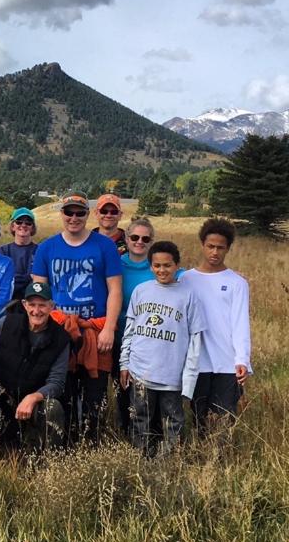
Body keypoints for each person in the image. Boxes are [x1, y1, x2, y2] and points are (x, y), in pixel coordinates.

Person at [31, 191, 122, 444]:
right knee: (64, 394)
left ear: (87, 214)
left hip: (95, 332)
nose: (74, 217)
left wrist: (109, 329)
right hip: (60, 332)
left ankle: (93, 446)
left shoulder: (105, 246)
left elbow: (115, 289)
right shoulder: (46, 248)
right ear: (61, 213)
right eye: (69, 212)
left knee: (95, 397)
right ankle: (67, 446)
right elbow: (39, 294)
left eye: (79, 213)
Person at [119, 241, 206, 457]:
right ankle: (141, 457)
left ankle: (167, 460)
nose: (162, 270)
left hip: (171, 375)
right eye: (157, 265)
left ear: (177, 265)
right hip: (141, 370)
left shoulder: (188, 295)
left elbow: (195, 341)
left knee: (172, 420)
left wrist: (189, 377)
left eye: (167, 265)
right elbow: (129, 331)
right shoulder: (141, 291)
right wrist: (124, 363)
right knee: (140, 416)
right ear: (150, 266)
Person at [0, 282, 70, 451]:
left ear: (52, 306)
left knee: (53, 408)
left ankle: (50, 466)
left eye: (42, 305)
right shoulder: (5, 323)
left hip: (34, 403)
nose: (36, 311)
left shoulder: (62, 339)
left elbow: (57, 383)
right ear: (24, 305)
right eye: (32, 305)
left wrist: (33, 398)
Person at [183, 218, 251, 433]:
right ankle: (200, 462)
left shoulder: (237, 283)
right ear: (202, 245)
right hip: (197, 362)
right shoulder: (186, 279)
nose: (215, 252)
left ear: (228, 249)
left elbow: (241, 323)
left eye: (221, 248)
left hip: (226, 363)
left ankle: (219, 463)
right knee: (200, 418)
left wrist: (242, 359)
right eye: (210, 246)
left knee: (222, 421)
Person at [114, 216, 157, 436]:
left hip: (147, 343)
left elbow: (194, 280)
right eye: (134, 237)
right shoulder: (116, 264)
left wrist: (226, 274)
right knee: (121, 391)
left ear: (151, 242)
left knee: (145, 394)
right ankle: (123, 433)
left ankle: (149, 434)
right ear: (126, 238)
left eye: (145, 238)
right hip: (116, 338)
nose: (139, 241)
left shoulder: (158, 267)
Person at [0, 208, 39, 301]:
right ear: (12, 226)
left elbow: (42, 282)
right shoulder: (2, 252)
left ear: (32, 227)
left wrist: (16, 278)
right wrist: (29, 277)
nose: (23, 225)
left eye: (28, 222)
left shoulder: (41, 251)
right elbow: (3, 282)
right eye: (19, 222)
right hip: (8, 305)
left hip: (34, 304)